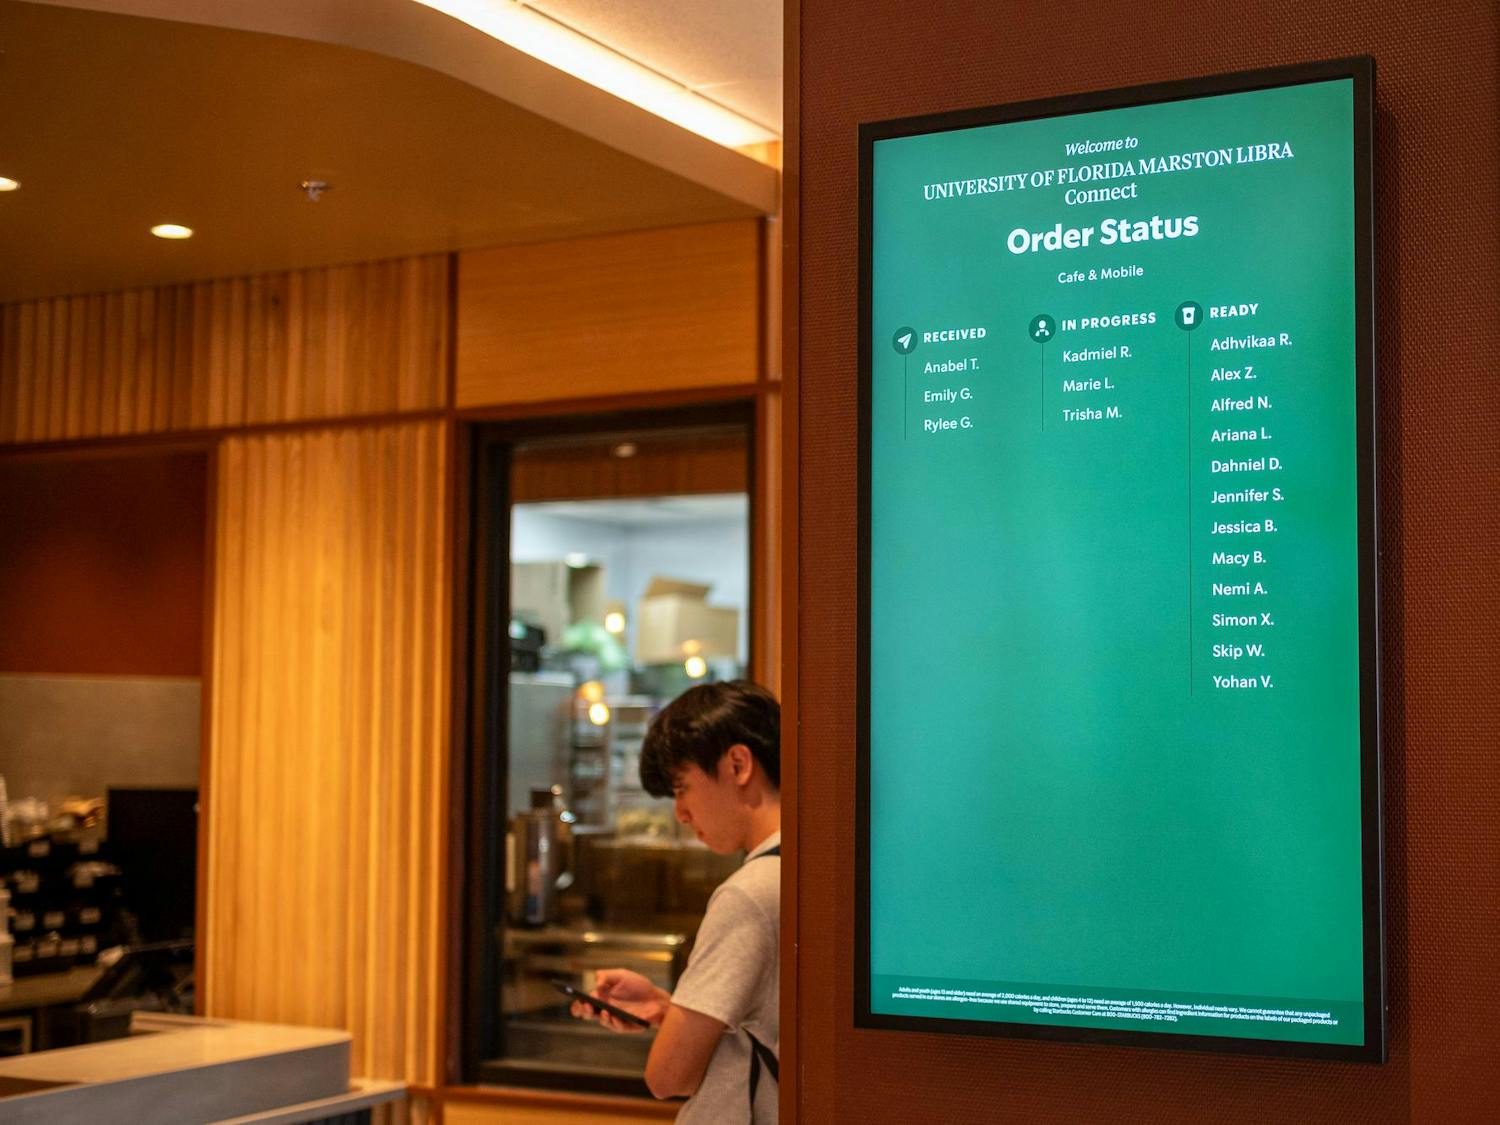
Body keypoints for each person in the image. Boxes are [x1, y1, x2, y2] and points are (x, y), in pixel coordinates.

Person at [570, 680, 780, 1123]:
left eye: (682, 788)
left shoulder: (749, 894)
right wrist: (672, 1011)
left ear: (738, 764)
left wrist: (678, 1035)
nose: (680, 814)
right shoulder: (811, 872)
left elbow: (668, 1077)